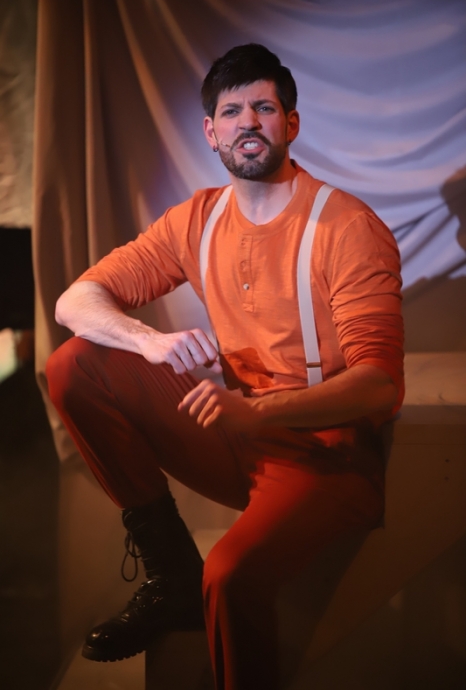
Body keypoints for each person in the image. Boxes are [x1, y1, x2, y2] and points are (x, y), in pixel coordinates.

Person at [46, 43, 404, 690]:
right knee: (74, 366)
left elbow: (380, 385)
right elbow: (74, 301)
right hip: (238, 441)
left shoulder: (346, 226)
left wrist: (257, 412)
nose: (248, 123)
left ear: (290, 123)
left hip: (325, 459)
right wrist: (148, 341)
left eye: (263, 108)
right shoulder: (199, 218)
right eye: (232, 112)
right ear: (211, 133)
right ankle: (170, 573)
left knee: (231, 575)